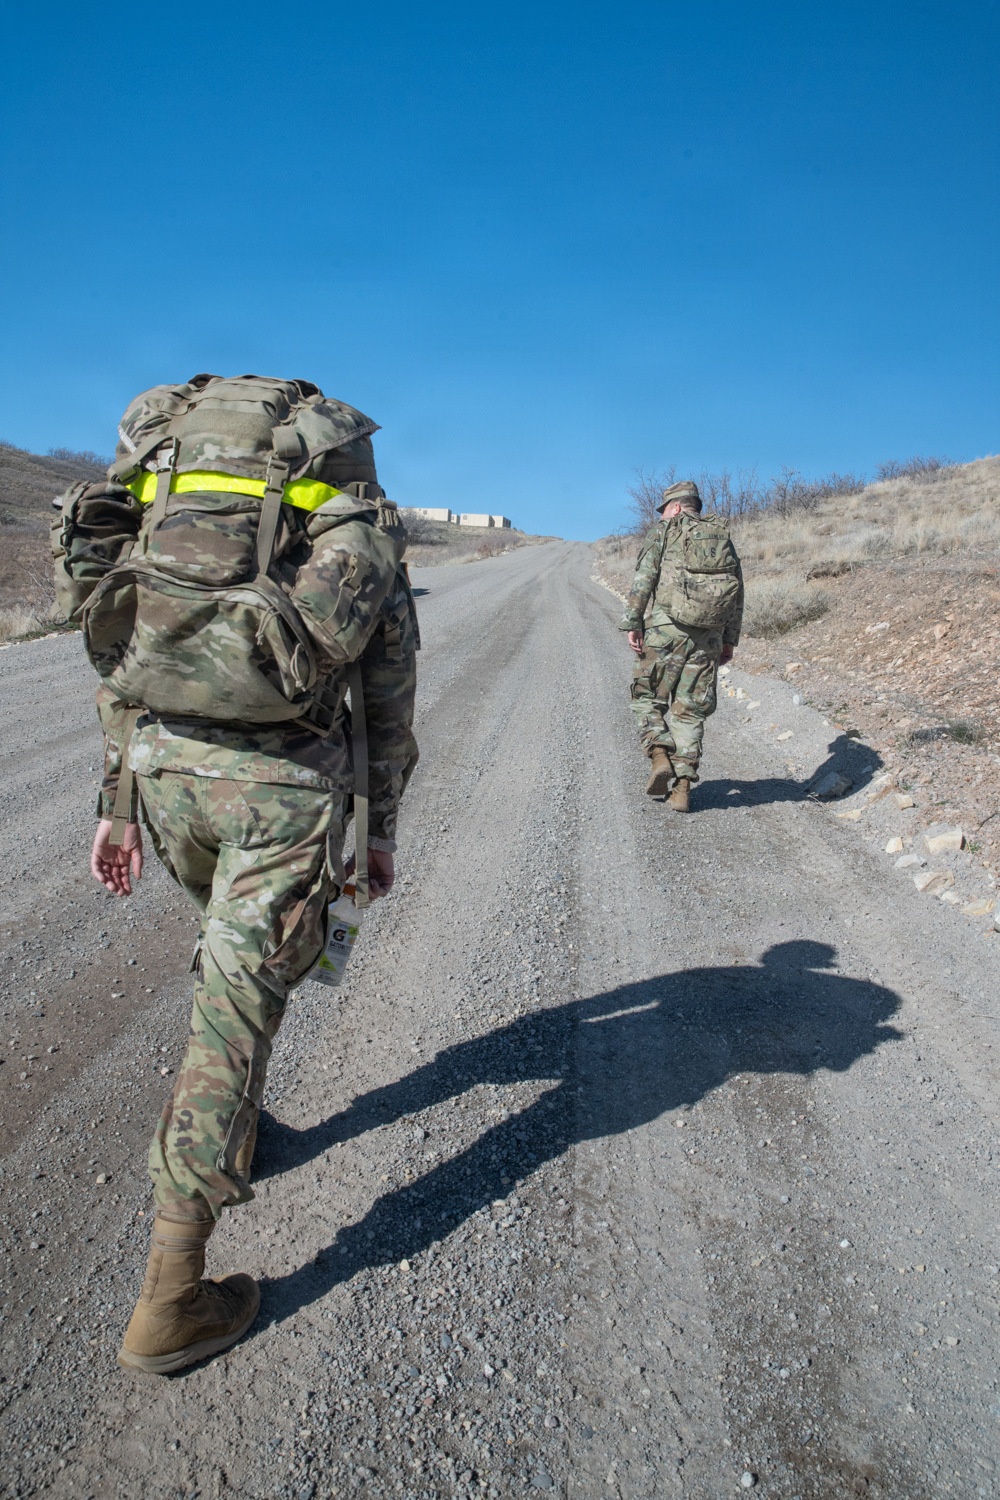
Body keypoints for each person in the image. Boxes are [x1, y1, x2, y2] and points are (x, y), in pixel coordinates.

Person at [73, 375, 418, 1374]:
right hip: (284, 793)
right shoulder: (343, 502)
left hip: (171, 775)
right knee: (234, 1007)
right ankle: (171, 1303)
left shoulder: (168, 488)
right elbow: (387, 684)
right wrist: (379, 824)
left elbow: (123, 653)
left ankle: (242, 1124)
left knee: (233, 973)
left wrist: (119, 800)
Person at [620, 479, 743, 811]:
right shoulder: (721, 537)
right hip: (709, 637)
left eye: (664, 510)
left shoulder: (665, 531)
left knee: (646, 698)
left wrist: (633, 622)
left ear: (675, 507)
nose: (662, 516)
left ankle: (659, 755)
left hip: (664, 630)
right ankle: (683, 787)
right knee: (690, 712)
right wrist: (729, 639)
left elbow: (644, 577)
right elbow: (738, 593)